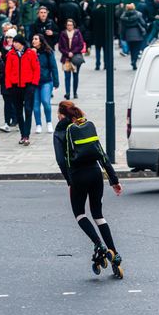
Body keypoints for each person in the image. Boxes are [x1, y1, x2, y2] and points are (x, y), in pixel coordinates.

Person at [53, 100, 124, 278]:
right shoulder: (84, 125)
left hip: (78, 176)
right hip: (95, 173)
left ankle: (98, 244)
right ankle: (114, 253)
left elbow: (61, 161)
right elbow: (102, 154)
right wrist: (114, 180)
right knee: (98, 215)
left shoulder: (60, 132)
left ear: (61, 115)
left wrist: (70, 181)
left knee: (80, 214)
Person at [4, 34, 40, 146]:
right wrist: (9, 86)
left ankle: (26, 135)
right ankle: (22, 134)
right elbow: (8, 71)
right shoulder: (10, 54)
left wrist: (34, 84)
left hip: (28, 86)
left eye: (16, 42)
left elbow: (36, 69)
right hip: (15, 87)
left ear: (21, 43)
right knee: (19, 112)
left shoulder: (30, 53)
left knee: (28, 110)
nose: (14, 44)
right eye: (13, 42)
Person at [32, 33, 59, 134]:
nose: (33, 41)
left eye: (35, 39)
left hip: (46, 81)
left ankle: (49, 123)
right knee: (35, 105)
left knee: (46, 101)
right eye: (33, 39)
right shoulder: (30, 52)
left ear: (41, 41)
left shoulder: (48, 52)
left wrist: (56, 81)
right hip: (33, 82)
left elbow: (53, 67)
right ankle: (38, 124)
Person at [58, 19, 84, 99]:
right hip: (66, 58)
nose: (69, 26)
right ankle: (68, 93)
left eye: (71, 25)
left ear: (73, 25)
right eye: (68, 25)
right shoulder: (63, 34)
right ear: (66, 26)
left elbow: (81, 45)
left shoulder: (77, 33)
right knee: (67, 77)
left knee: (75, 76)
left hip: (75, 57)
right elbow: (60, 47)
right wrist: (67, 53)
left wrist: (73, 52)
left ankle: (75, 92)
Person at [0, 28, 18, 132]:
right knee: (7, 101)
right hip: (5, 78)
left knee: (15, 101)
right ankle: (7, 122)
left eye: (11, 37)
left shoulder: (18, 49)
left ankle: (16, 120)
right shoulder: (2, 48)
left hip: (15, 79)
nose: (8, 39)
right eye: (7, 37)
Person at [120, 3, 147, 71]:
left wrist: (122, 35)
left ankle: (132, 60)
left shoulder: (124, 16)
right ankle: (134, 61)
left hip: (128, 34)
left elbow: (122, 27)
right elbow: (143, 23)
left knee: (131, 49)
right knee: (137, 49)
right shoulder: (138, 14)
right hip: (137, 33)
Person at [90, 3, 106, 70]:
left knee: (97, 50)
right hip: (106, 34)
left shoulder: (94, 11)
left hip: (97, 33)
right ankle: (106, 64)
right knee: (106, 51)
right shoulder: (107, 11)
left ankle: (97, 64)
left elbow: (91, 23)